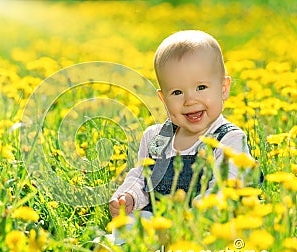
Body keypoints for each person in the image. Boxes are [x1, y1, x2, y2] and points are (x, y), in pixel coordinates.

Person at [109, 30, 258, 221]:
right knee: (131, 222)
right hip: (160, 220)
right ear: (163, 99)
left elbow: (227, 188)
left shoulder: (230, 139)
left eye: (201, 87)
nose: (190, 100)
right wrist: (129, 196)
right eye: (177, 92)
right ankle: (112, 246)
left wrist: (189, 219)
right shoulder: (156, 138)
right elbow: (141, 177)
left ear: (223, 89)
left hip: (205, 225)